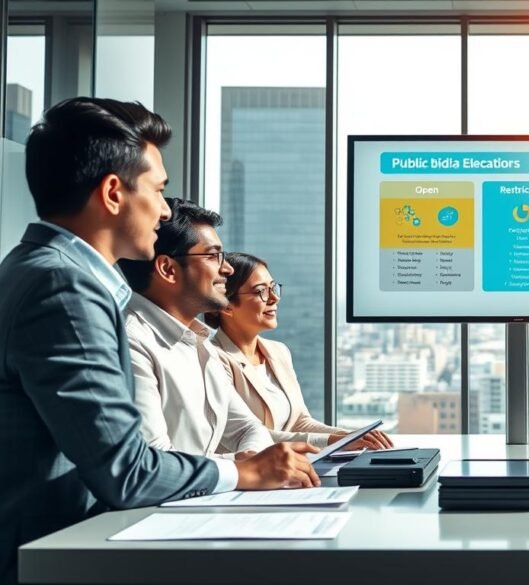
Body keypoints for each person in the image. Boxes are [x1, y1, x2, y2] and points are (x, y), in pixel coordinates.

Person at [0, 98, 319, 583]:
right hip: (55, 556)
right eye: (158, 189)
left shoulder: (36, 268)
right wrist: (245, 473)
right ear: (113, 193)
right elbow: (127, 471)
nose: (165, 209)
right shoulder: (63, 287)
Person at [118, 199, 276, 458]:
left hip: (206, 496)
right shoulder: (131, 340)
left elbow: (247, 428)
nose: (227, 268)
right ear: (168, 269)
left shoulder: (200, 341)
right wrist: (241, 468)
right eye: (213, 256)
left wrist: (249, 460)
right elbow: (153, 459)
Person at [205, 253, 393, 450]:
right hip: (251, 475)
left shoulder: (278, 352)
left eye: (273, 288)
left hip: (293, 469)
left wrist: (352, 436)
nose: (274, 298)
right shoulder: (213, 360)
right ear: (225, 306)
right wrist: (334, 441)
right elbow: (244, 435)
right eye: (261, 291)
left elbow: (300, 422)